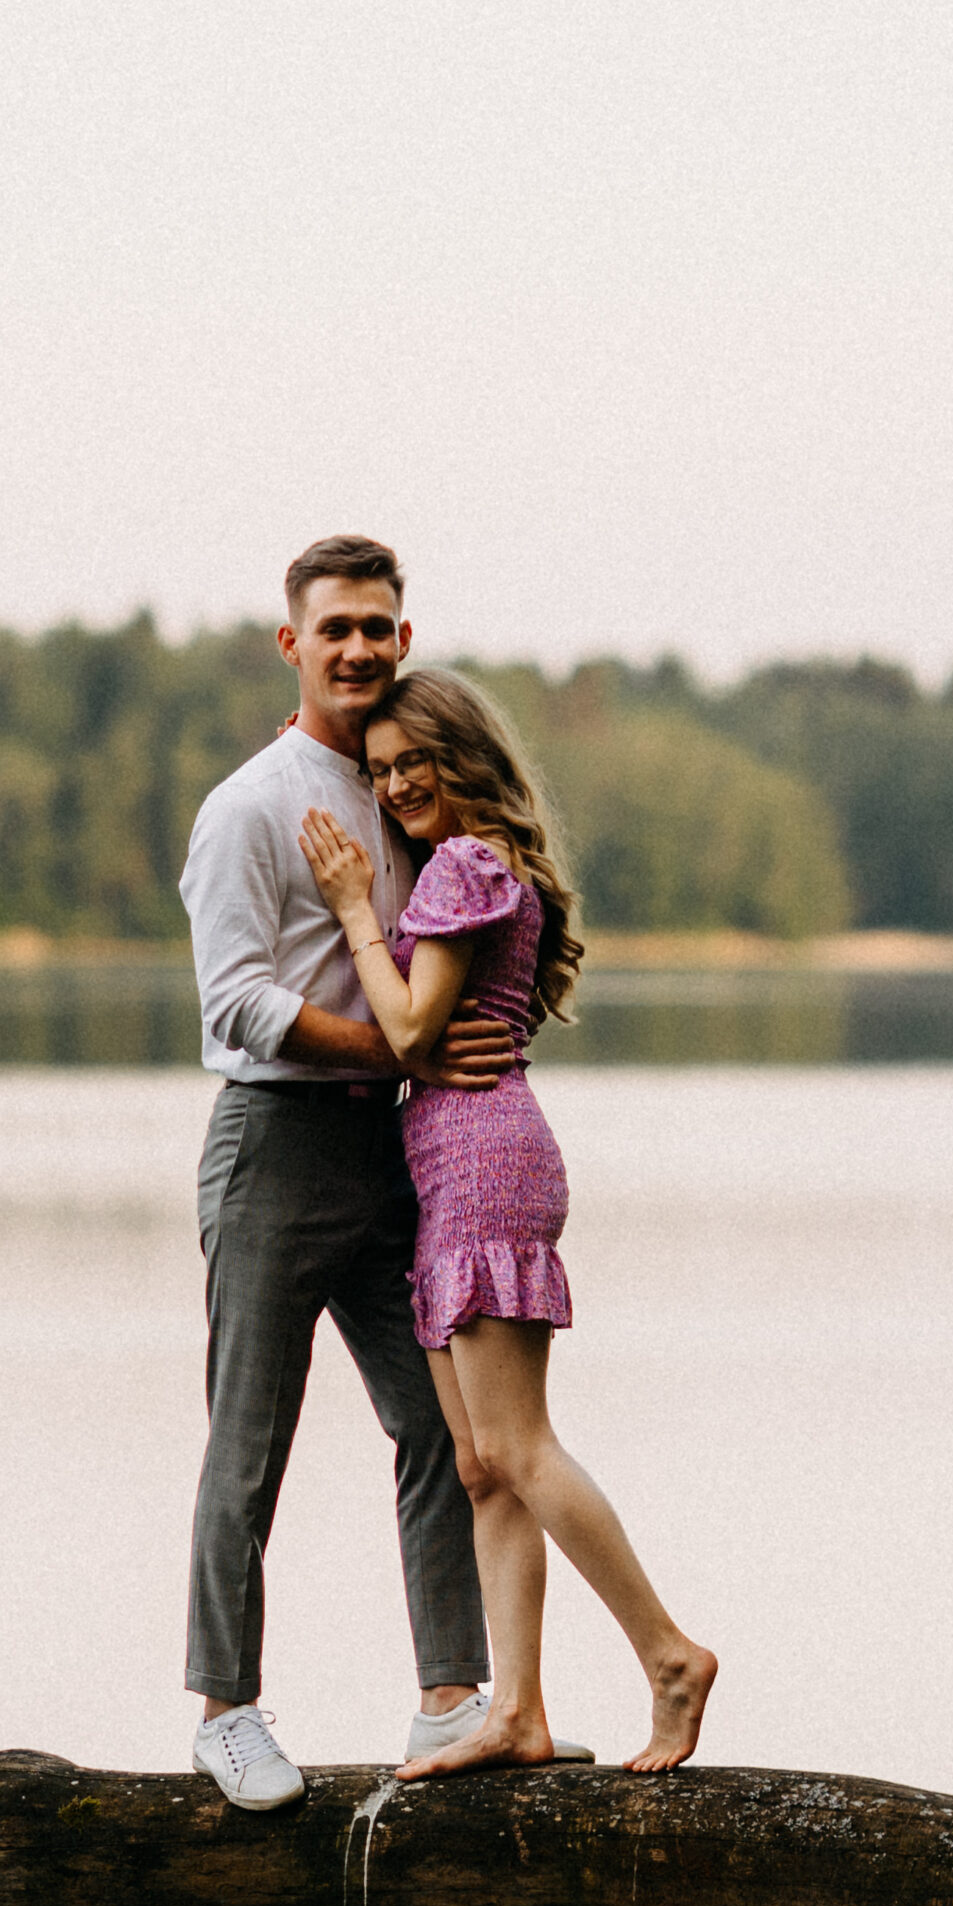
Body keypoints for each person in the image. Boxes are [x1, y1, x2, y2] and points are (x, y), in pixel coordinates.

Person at [294, 666, 719, 1773]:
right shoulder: (472, 867)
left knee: (519, 1447)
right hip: (455, 1164)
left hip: (483, 1162)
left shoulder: (470, 865)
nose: (391, 790)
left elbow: (405, 1024)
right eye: (378, 773)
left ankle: (669, 1654)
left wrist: (349, 908)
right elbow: (425, 1032)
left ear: (461, 755)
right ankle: (517, 1712)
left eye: (410, 765)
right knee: (481, 1463)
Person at [178, 536, 522, 1813]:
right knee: (249, 1440)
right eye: (337, 629)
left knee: (440, 1422)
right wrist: (395, 1042)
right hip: (272, 1145)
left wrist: (473, 1036)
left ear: (404, 637)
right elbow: (239, 1004)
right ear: (293, 643)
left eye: (380, 626)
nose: (360, 649)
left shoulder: (403, 787)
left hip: (393, 1144)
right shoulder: (250, 805)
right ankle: (226, 1714)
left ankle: (448, 1700)